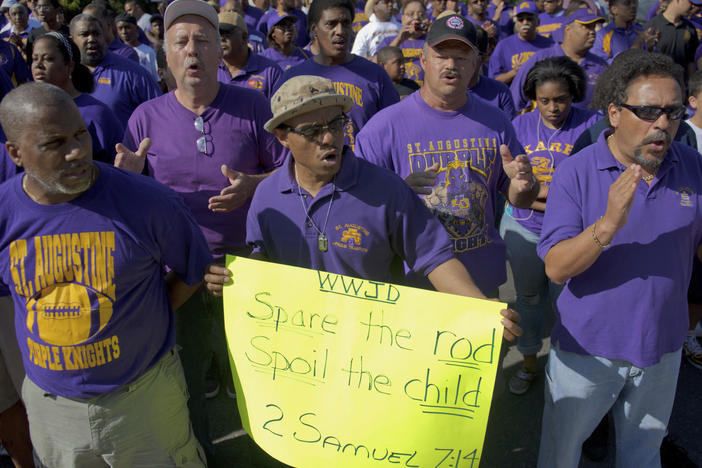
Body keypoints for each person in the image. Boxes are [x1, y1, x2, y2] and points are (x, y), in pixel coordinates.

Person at [204, 73, 522, 343]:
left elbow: (434, 257)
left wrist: (478, 306)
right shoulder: (265, 199)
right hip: (300, 354)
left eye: (337, 124)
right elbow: (262, 271)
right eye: (313, 131)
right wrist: (231, 282)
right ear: (282, 136)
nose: (329, 137)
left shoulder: (386, 189)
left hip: (374, 353)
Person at [0, 81, 212, 468]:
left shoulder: (148, 202)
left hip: (144, 402)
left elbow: (192, 271)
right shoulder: (4, 215)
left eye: (80, 133)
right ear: (15, 153)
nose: (77, 151)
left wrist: (148, 314)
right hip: (53, 411)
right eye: (55, 143)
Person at [115, 0, 287, 459]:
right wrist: (129, 181)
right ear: (166, 56)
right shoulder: (144, 119)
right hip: (178, 278)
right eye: (181, 42)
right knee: (187, 384)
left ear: (220, 52)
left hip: (251, 270)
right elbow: (132, 209)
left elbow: (294, 174)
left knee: (266, 380)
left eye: (203, 41)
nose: (192, 51)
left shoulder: (253, 106)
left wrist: (254, 185)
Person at [535, 50, 702, 467]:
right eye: (647, 111)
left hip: (663, 350)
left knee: (642, 457)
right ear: (614, 113)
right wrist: (607, 225)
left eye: (672, 111)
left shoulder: (692, 165)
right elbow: (555, 267)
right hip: (587, 352)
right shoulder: (576, 172)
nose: (662, 124)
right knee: (562, 456)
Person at [356, 14, 539, 296]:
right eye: (442, 55)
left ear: (476, 64)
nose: (451, 65)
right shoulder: (383, 128)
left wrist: (523, 185)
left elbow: (520, 199)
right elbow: (357, 213)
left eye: (462, 57)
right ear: (423, 60)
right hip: (413, 287)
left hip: (481, 283)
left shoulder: (495, 122)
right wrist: (397, 191)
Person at [500, 56, 597, 395]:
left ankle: (565, 373)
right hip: (524, 228)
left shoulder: (593, 125)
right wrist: (542, 195)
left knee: (566, 306)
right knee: (528, 299)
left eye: (562, 99)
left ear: (575, 96)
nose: (553, 108)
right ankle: (528, 364)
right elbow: (511, 187)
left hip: (571, 234)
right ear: (532, 98)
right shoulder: (518, 125)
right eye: (545, 101)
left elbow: (595, 185)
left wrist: (538, 194)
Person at [280, 0, 399, 151]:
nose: (340, 31)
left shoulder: (376, 75)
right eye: (331, 24)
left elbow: (393, 132)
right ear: (314, 29)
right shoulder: (293, 78)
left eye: (346, 23)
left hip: (363, 171)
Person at [31, 32, 124, 164]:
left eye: (48, 59)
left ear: (69, 67)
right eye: (35, 59)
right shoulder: (28, 110)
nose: (38, 65)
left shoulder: (96, 113)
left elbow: (118, 167)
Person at [70, 13, 161, 127]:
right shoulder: (64, 75)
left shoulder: (134, 74)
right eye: (85, 34)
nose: (91, 39)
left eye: (96, 34)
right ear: (72, 39)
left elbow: (159, 116)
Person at [510, 8, 607, 112]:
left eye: (593, 27)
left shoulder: (601, 66)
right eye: (586, 27)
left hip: (589, 127)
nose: (592, 32)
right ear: (568, 29)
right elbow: (515, 100)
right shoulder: (540, 59)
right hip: (544, 127)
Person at [216, 10, 283, 99]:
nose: (221, 39)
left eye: (227, 34)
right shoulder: (210, 69)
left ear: (244, 37)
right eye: (218, 34)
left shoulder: (271, 72)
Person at [489, 1, 554, 85]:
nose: (525, 22)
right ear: (516, 22)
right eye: (521, 19)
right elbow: (494, 81)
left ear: (537, 21)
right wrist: (515, 72)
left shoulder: (550, 45)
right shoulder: (503, 46)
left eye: (529, 19)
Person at [375, 0, 430, 86]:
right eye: (411, 14)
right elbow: (374, 64)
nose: (416, 18)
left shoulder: (430, 40)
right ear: (403, 18)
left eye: (421, 15)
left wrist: (432, 35)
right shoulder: (389, 41)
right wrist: (399, 40)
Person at [469, 26, 516, 118]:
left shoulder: (501, 92)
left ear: (483, 56)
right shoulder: (442, 92)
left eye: (471, 54)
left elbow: (510, 129)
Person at [646, 0, 700, 79]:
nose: (693, 7)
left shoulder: (690, 28)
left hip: (680, 85)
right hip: (657, 81)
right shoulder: (651, 26)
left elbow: (690, 62)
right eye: (690, 3)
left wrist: (691, 86)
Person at [115, 13, 159, 81]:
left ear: (137, 28)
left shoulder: (148, 52)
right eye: (120, 28)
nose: (124, 32)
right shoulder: (117, 53)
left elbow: (157, 79)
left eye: (127, 27)